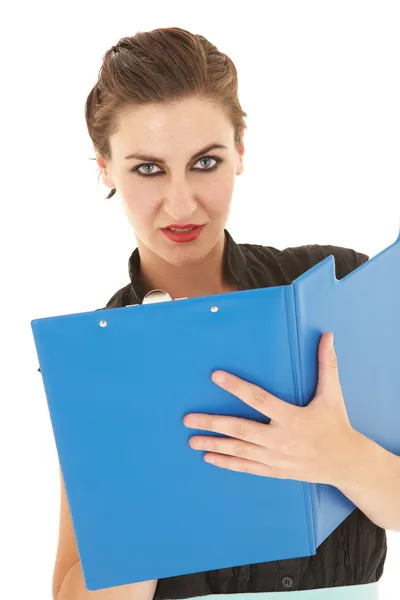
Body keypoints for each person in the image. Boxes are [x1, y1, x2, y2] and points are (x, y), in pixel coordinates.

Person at [52, 27, 388, 600]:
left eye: (205, 162)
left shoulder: (338, 286)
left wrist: (341, 456)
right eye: (148, 169)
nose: (181, 203)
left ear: (240, 152)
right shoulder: (101, 351)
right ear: (105, 166)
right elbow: (70, 589)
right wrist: (157, 499)